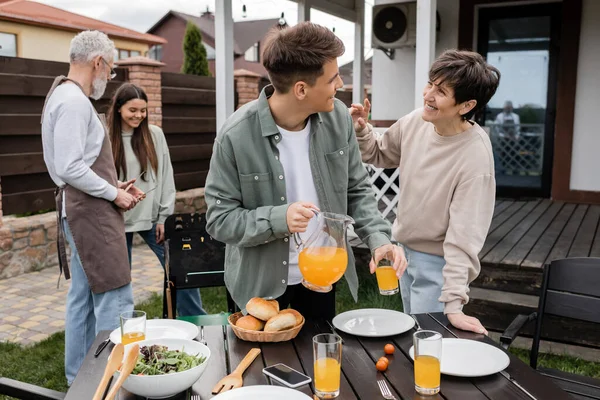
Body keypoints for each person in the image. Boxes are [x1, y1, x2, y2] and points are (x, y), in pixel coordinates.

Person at [204, 22, 407, 321]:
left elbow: (357, 188)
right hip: (260, 290)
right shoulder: (235, 136)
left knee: (318, 362)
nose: (339, 85)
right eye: (332, 78)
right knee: (257, 368)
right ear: (301, 89)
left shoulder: (339, 118)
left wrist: (378, 237)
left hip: (321, 279)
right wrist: (279, 218)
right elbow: (219, 220)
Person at [350, 49, 500, 334]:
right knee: (412, 340)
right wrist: (362, 129)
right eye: (430, 84)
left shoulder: (475, 157)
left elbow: (465, 236)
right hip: (403, 253)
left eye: (441, 91)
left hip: (438, 264)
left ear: (466, 105)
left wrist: (453, 302)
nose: (428, 95)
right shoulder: (417, 120)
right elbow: (380, 153)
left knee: (429, 346)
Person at [41, 30, 143, 384]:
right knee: (115, 296)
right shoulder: (73, 101)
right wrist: (113, 195)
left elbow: (75, 165)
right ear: (97, 62)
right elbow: (70, 168)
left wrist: (113, 185)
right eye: (110, 69)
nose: (108, 77)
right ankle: (113, 381)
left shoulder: (61, 96)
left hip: (83, 209)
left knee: (83, 297)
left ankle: (80, 380)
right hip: (92, 216)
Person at [107, 83, 206, 316]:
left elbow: (165, 177)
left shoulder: (154, 135)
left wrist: (164, 217)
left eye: (143, 110)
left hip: (152, 219)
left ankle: (195, 319)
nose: (139, 115)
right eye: (133, 110)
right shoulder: (105, 138)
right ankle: (123, 329)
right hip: (117, 220)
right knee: (119, 282)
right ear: (119, 108)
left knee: (181, 267)